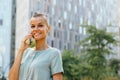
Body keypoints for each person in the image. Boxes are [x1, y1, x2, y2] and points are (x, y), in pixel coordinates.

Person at [8, 13, 64, 80]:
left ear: (48, 28)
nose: (36, 29)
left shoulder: (54, 54)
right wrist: (21, 50)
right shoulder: (25, 52)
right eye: (32, 26)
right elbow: (11, 78)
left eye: (40, 25)